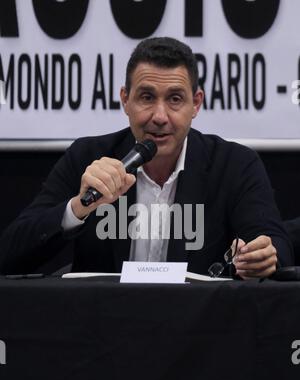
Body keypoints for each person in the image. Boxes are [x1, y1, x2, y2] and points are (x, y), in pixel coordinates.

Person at [0, 37, 294, 278]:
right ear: (125, 100)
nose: (160, 116)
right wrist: (78, 208)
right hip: (102, 335)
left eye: (175, 99)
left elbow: (275, 244)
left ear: (197, 103)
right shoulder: (88, 158)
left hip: (200, 334)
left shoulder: (234, 165)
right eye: (147, 97)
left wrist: (263, 256)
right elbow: (10, 254)